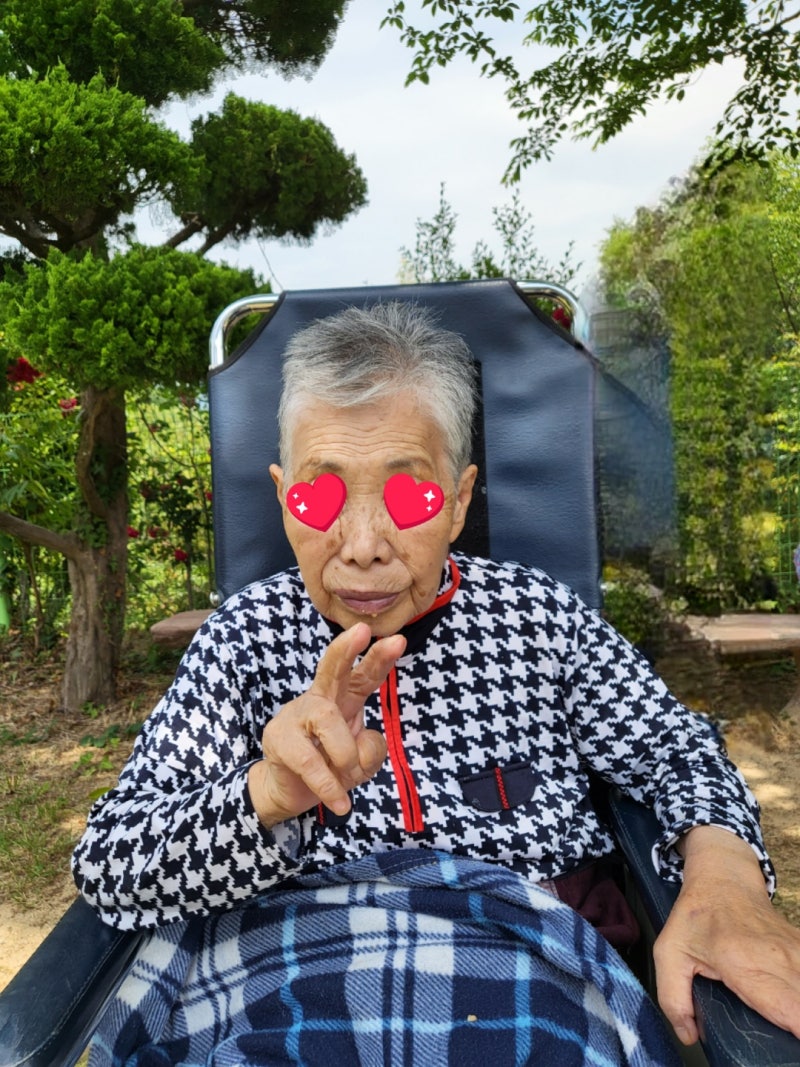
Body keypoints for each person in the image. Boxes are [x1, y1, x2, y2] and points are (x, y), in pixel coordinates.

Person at [73, 303, 800, 1064]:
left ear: (457, 501)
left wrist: (727, 887)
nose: (361, 546)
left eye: (408, 497)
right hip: (278, 984)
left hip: (526, 984)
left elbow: (677, 749)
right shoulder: (242, 639)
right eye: (321, 497)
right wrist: (267, 794)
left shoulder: (539, 619)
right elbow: (111, 862)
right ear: (285, 497)